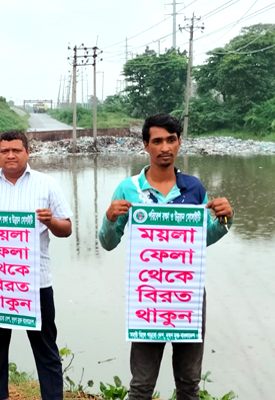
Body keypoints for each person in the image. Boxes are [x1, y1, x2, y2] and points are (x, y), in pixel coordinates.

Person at [98, 114, 233, 400]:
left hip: (188, 294)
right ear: (145, 145)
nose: (165, 147)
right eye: (157, 141)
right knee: (142, 385)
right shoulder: (128, 189)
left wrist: (225, 219)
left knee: (189, 383)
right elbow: (108, 244)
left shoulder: (194, 188)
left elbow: (202, 239)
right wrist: (110, 218)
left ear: (179, 143)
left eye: (171, 140)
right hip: (148, 296)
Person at [0, 130, 73, 400]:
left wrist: (50, 221)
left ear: (28, 152)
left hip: (37, 284)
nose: (10, 155)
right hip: (0, 286)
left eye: (16, 150)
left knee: (46, 350)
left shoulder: (47, 184)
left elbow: (67, 229)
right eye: (4, 151)